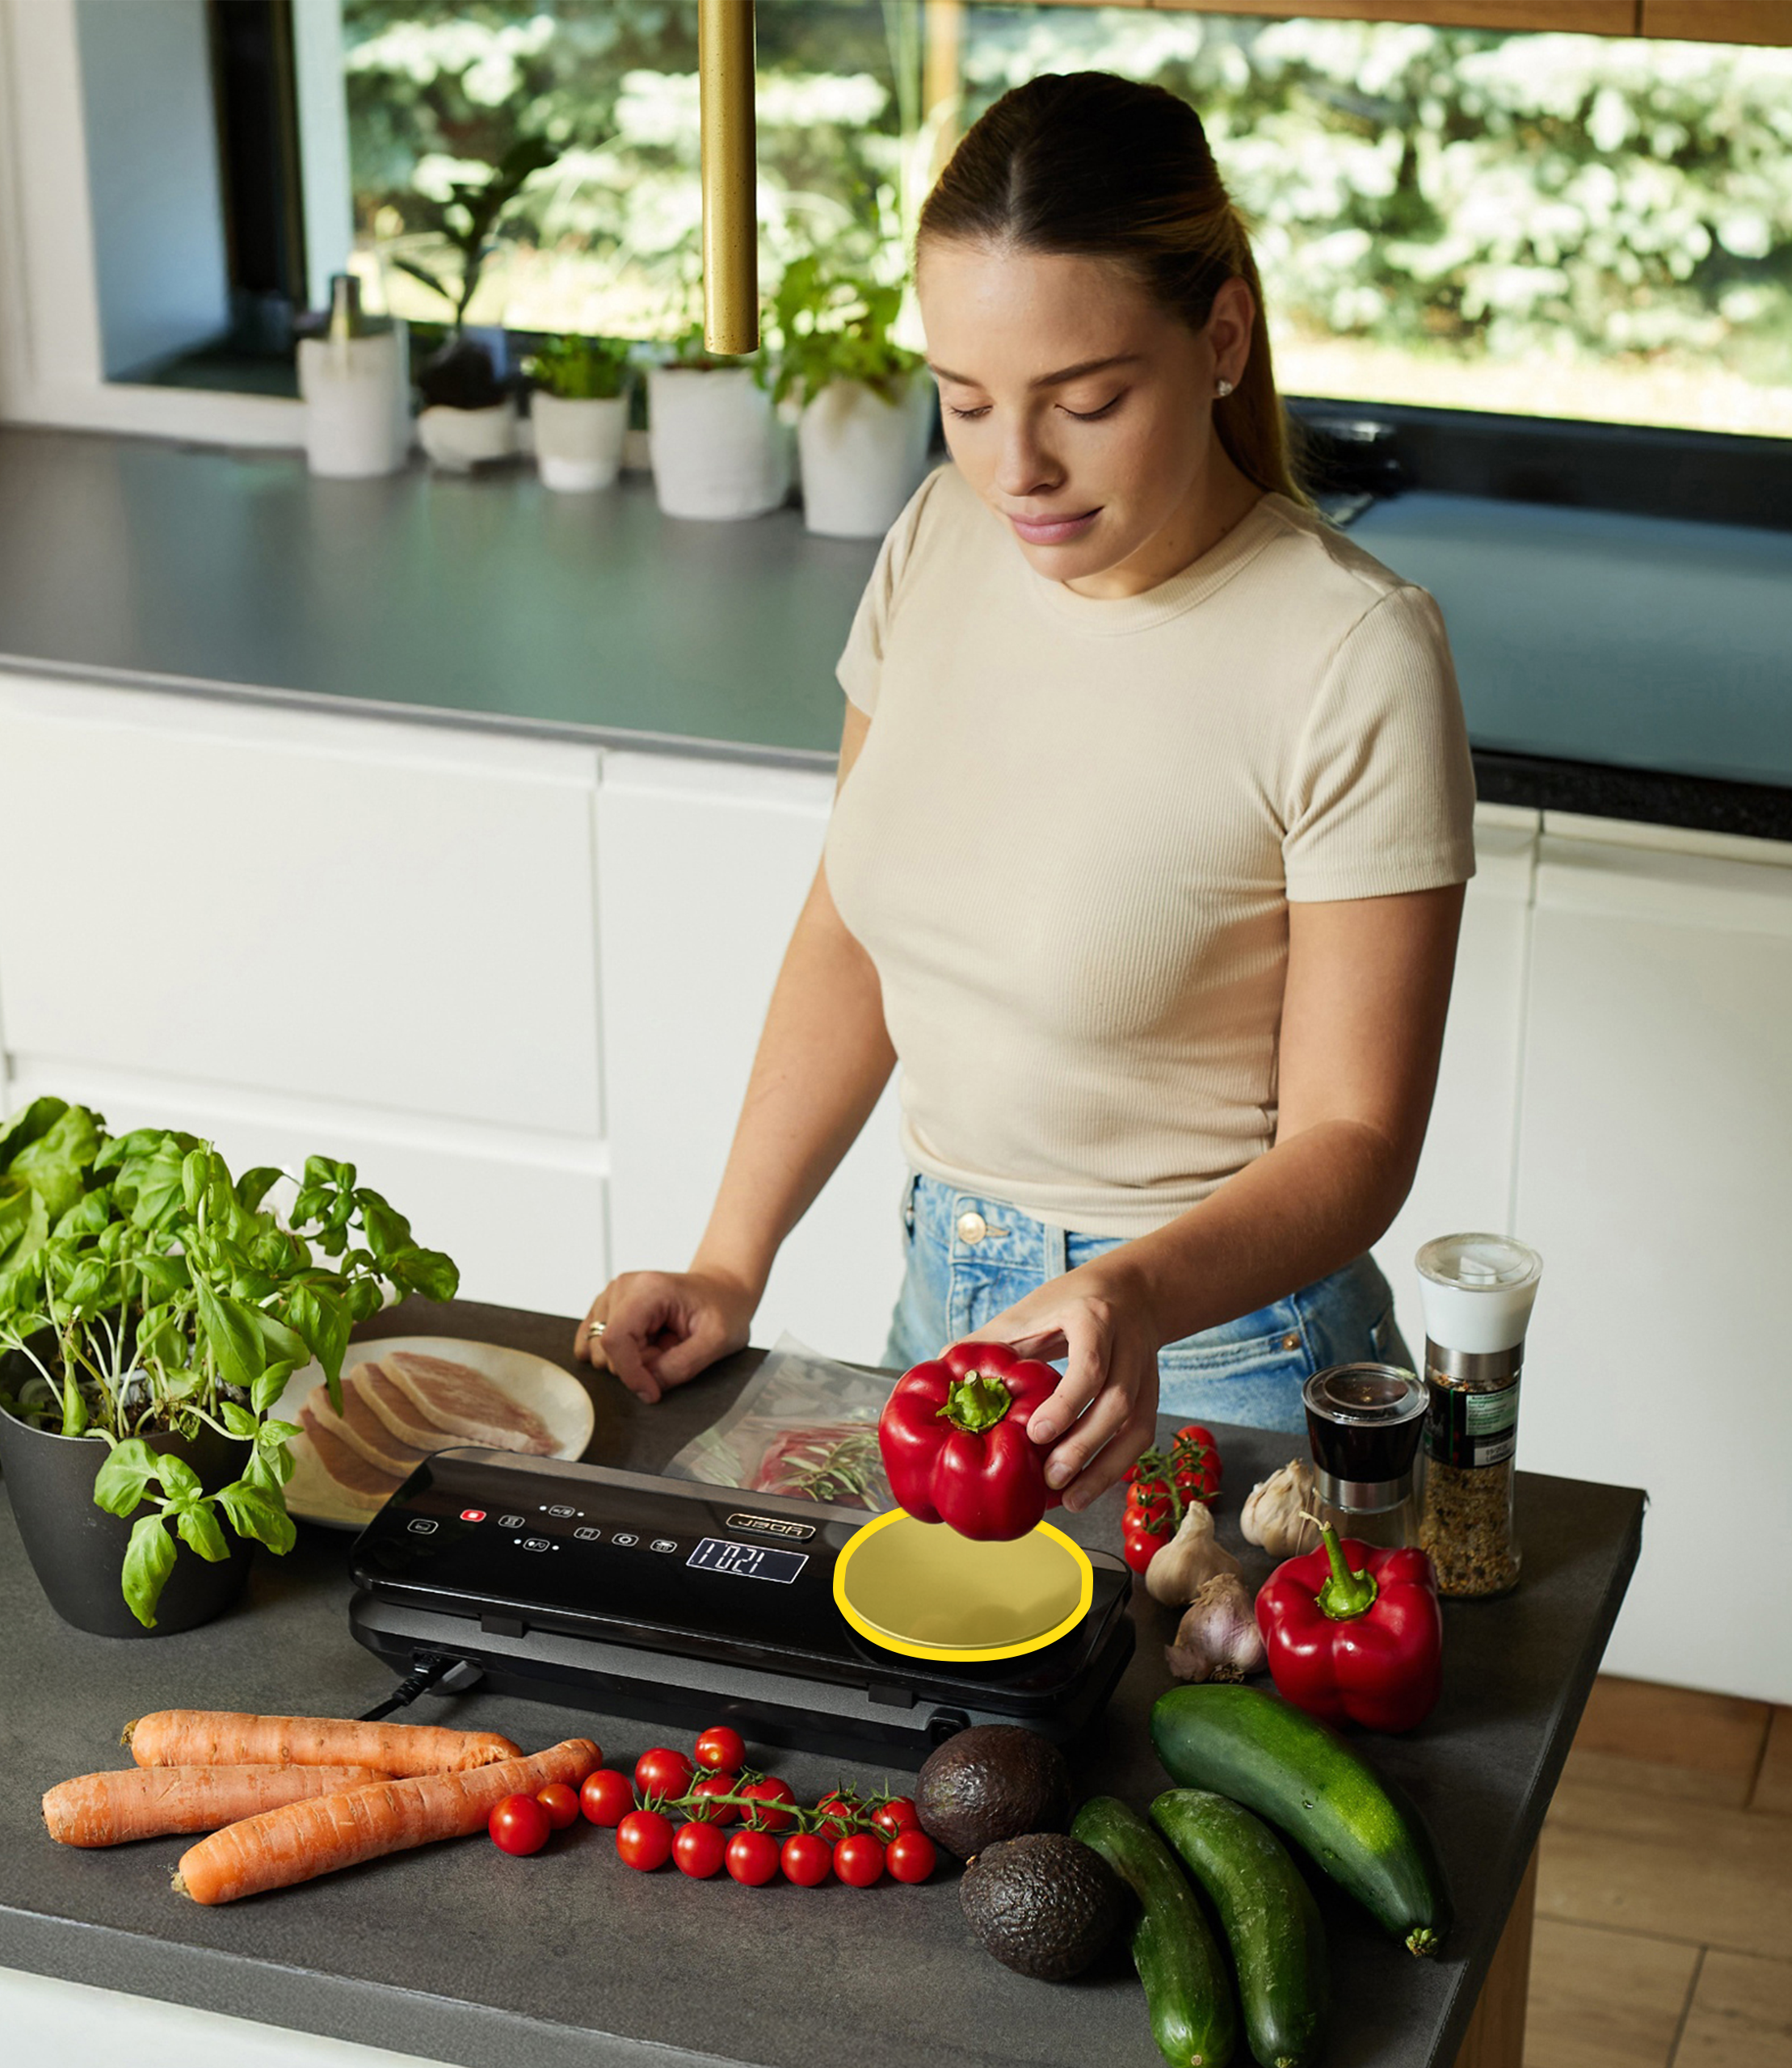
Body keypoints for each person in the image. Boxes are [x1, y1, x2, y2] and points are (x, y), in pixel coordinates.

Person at [576, 71, 1474, 1513]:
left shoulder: (1352, 649)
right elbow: (852, 927)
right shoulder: (939, 536)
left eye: (1087, 400)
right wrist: (733, 1257)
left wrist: (1131, 1288)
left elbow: (1356, 1141)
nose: (1017, 469)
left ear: (1222, 336)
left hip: (1216, 1352)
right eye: (966, 400)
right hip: (949, 1323)